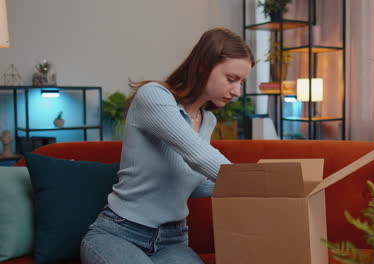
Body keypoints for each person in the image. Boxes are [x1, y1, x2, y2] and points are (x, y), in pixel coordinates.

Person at [80, 27, 255, 264]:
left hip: (172, 241)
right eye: (231, 79)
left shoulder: (207, 120)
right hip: (119, 233)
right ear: (204, 65)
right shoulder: (153, 96)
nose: (237, 91)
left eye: (242, 82)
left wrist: (244, 185)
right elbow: (199, 156)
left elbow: (189, 183)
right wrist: (255, 181)